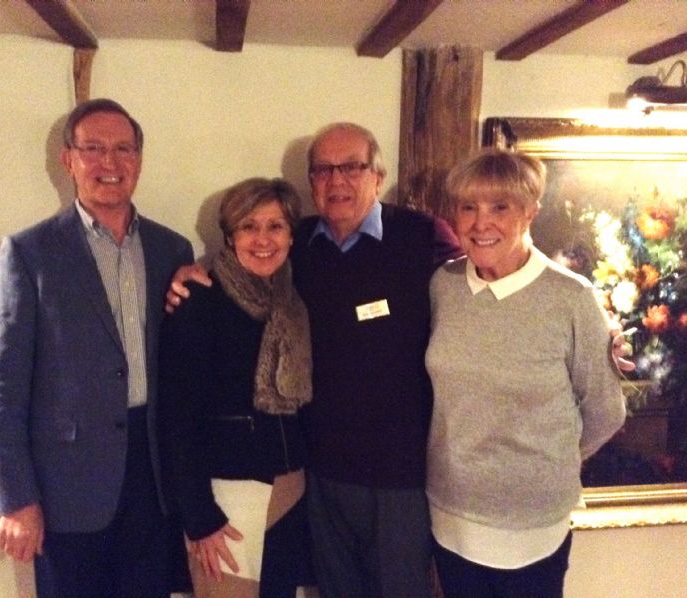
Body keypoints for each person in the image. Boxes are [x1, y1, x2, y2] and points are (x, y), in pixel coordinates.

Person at [169, 122, 463, 598]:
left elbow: (485, 287)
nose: (337, 180)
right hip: (321, 475)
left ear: (378, 173)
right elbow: (244, 262)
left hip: (401, 476)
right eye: (323, 170)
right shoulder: (297, 246)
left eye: (351, 166)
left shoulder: (422, 237)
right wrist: (192, 275)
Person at [0, 98, 194, 597]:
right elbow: (3, 390)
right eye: (94, 149)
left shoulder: (172, 249)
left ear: (139, 160)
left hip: (154, 476)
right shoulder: (29, 253)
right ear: (69, 160)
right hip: (66, 488)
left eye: (123, 149)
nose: (110, 163)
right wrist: (15, 499)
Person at [425, 148, 627, 598]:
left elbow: (606, 411)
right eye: (468, 207)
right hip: (451, 513)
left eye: (501, 207)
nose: (482, 223)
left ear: (530, 213)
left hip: (533, 524)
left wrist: (550, 462)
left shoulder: (570, 298)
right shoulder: (444, 285)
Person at [159, 177, 314, 598]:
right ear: (229, 236)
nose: (263, 239)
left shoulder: (292, 298)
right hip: (227, 495)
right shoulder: (199, 297)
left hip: (288, 489)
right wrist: (199, 517)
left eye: (275, 226)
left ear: (290, 234)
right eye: (249, 227)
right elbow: (177, 417)